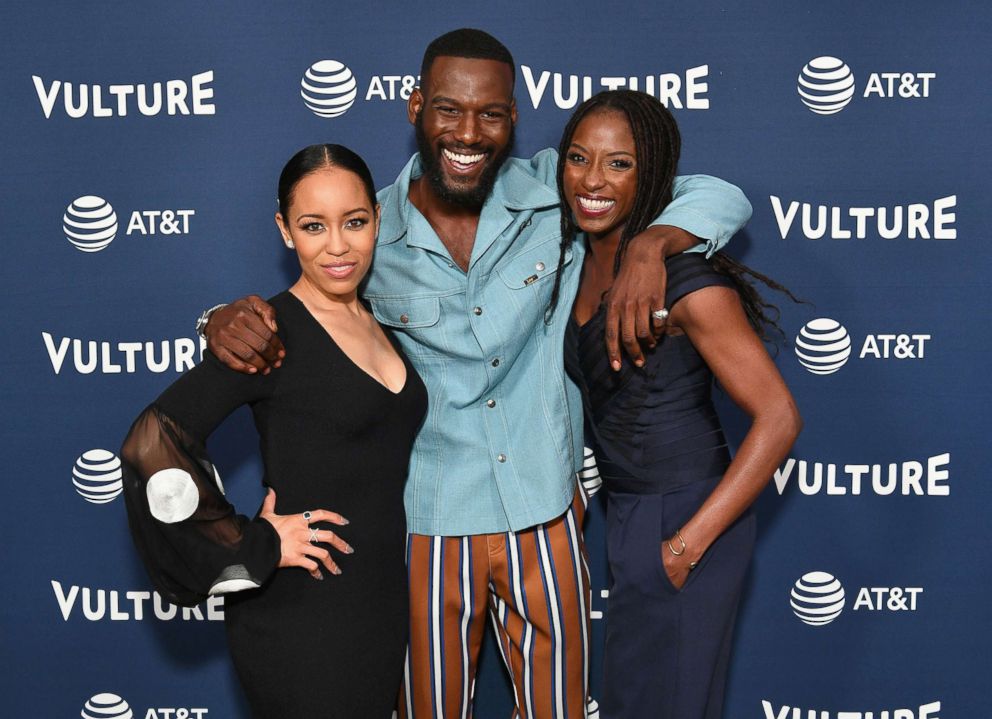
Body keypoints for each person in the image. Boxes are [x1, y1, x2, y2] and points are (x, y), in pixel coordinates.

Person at [203, 29, 752, 718]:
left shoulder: (556, 192)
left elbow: (720, 194)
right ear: (415, 109)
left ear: (513, 119)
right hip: (431, 523)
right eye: (448, 110)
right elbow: (304, 310)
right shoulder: (370, 227)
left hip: (546, 513)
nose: (468, 130)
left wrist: (653, 243)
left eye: (490, 113)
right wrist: (217, 318)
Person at [120, 144, 427, 718]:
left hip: (377, 608)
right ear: (286, 232)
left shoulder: (382, 322)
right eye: (314, 226)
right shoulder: (268, 334)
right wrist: (254, 545)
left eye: (354, 222)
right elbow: (149, 441)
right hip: (301, 617)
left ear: (378, 220)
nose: (337, 246)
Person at [558, 90, 802, 719]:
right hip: (631, 514)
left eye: (619, 164)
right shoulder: (575, 260)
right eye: (579, 158)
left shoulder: (688, 283)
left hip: (687, 516)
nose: (592, 180)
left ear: (653, 175)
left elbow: (779, 418)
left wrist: (686, 546)